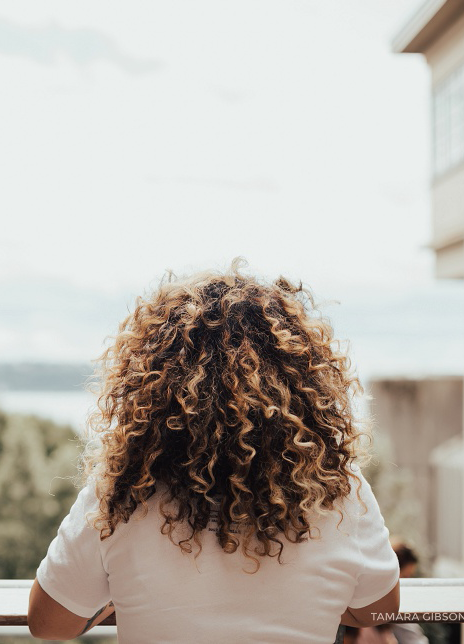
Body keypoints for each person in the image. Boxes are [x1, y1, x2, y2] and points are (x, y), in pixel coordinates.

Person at [27, 264, 401, 643]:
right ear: (303, 386)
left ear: (152, 389)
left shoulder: (120, 496)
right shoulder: (340, 494)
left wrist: (116, 595)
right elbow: (375, 610)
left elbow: (48, 625)